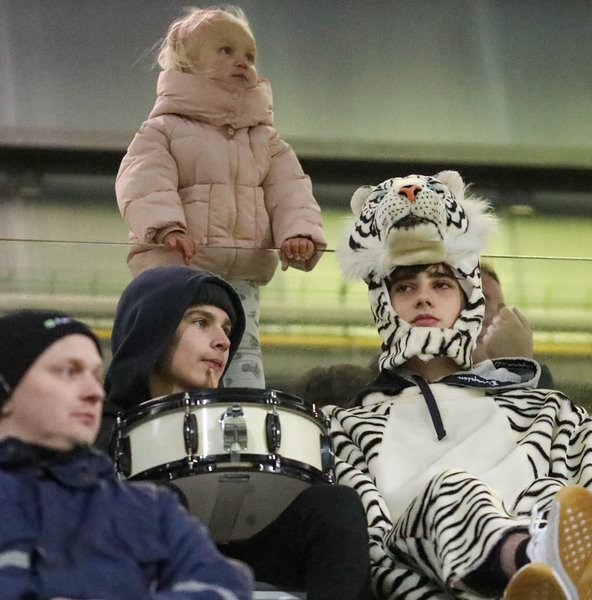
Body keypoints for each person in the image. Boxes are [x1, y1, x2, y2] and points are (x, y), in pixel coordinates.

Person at [332, 170, 592, 600]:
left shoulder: (548, 411)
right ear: (382, 302)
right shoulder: (349, 426)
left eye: (442, 284)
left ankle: (554, 575)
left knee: (552, 496)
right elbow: (369, 552)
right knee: (452, 488)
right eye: (405, 286)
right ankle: (529, 562)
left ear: (468, 297)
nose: (424, 297)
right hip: (438, 587)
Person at [102, 265, 371, 600]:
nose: (223, 341)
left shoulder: (238, 423)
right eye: (201, 322)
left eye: (227, 328)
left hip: (239, 545)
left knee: (336, 505)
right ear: (151, 329)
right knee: (159, 502)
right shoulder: (97, 427)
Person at [116, 5, 327, 389]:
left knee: (242, 355)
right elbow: (144, 182)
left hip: (242, 275)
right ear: (187, 63)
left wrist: (299, 233)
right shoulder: (162, 130)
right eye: (226, 51)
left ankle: (244, 413)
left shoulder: (265, 140)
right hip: (180, 276)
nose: (243, 62)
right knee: (179, 359)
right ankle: (172, 414)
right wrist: (166, 228)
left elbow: (291, 190)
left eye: (249, 56)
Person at [0, 309, 253, 599]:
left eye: (96, 376)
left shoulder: (152, 509)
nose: (94, 392)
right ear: (6, 389)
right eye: (69, 371)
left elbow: (224, 586)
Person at [473, 261, 554, 388]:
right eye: (481, 303)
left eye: (500, 309)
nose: (495, 319)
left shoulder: (537, 384)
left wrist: (518, 368)